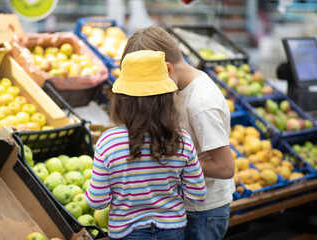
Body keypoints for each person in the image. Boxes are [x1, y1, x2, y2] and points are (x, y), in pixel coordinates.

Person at [120, 26, 235, 240]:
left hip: (203, 211)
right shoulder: (178, 89)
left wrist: (171, 158)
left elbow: (226, 168)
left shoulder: (202, 104)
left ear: (168, 69)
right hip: (185, 202)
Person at [85, 50, 207, 240]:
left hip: (127, 232)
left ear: (120, 101)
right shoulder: (182, 140)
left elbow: (96, 201)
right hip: (173, 231)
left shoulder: (108, 142)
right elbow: (198, 194)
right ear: (168, 100)